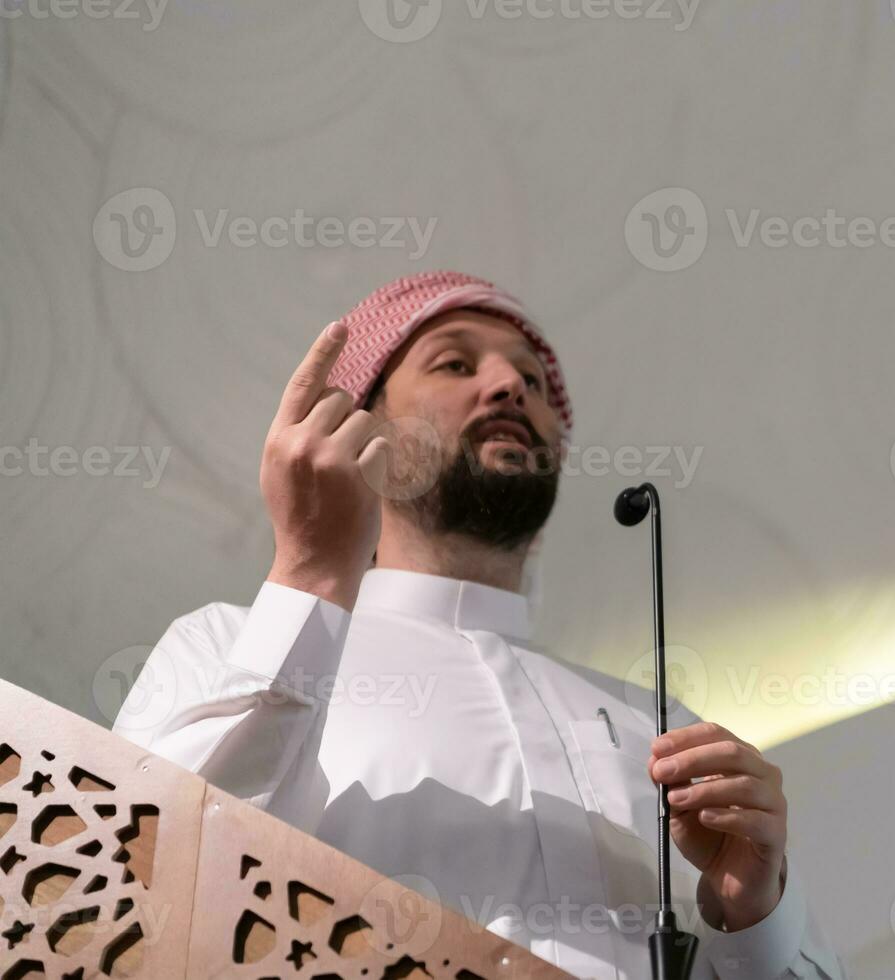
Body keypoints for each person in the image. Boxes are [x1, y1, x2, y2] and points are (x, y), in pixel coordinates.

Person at [113, 270, 845, 979]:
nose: (508, 388)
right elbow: (136, 889)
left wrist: (749, 913)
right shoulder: (226, 642)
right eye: (455, 362)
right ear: (356, 428)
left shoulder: (660, 728)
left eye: (531, 382)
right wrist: (309, 572)